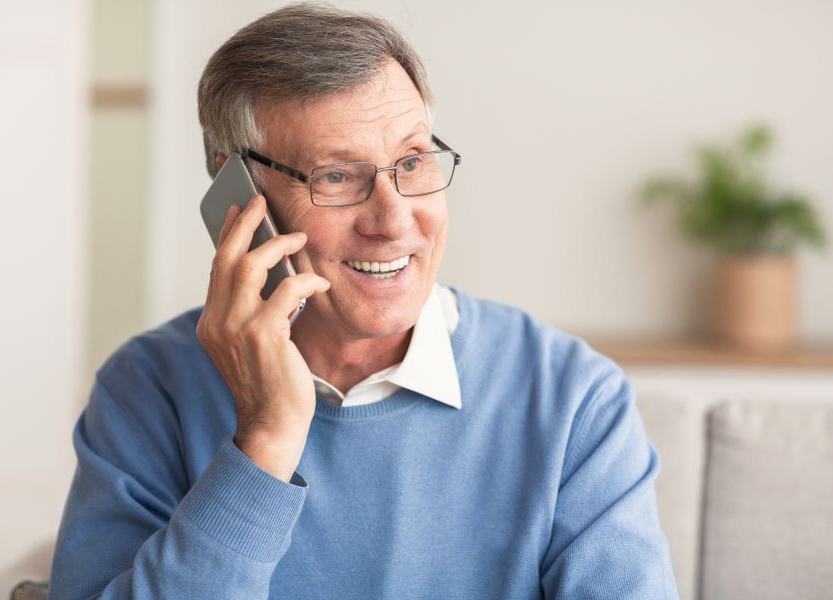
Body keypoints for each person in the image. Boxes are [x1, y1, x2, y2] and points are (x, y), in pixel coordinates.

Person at [50, 4, 678, 599]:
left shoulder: (572, 398)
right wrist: (264, 441)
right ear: (235, 194)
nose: (395, 219)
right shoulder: (147, 389)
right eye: (337, 176)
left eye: (412, 160)